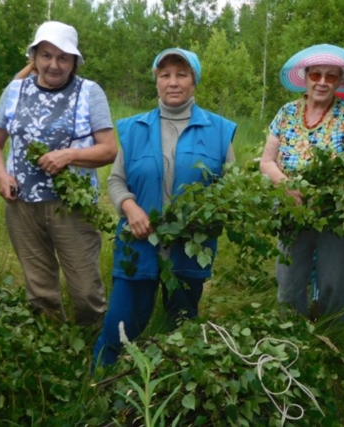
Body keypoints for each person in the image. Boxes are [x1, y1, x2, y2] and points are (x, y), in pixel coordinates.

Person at [92, 48, 236, 367]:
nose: (173, 82)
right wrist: (130, 207)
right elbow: (116, 182)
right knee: (119, 326)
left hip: (190, 248)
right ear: (156, 81)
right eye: (165, 75)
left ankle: (170, 393)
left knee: (181, 331)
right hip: (138, 246)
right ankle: (99, 385)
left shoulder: (220, 131)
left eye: (181, 74)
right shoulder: (134, 129)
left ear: (194, 81)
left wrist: (206, 213)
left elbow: (230, 192)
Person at [0, 21, 117, 328]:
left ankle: (92, 343)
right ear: (35, 57)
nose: (53, 65)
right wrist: (2, 176)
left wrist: (69, 155)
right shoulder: (16, 90)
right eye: (46, 55)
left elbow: (109, 150)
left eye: (63, 58)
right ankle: (51, 345)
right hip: (22, 206)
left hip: (72, 207)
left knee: (85, 291)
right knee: (40, 288)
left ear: (74, 62)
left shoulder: (89, 92)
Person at [259, 44, 344, 323]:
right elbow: (267, 162)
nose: (322, 82)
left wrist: (325, 195)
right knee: (290, 277)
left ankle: (332, 338)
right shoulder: (285, 113)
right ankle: (291, 334)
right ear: (305, 78)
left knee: (335, 280)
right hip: (291, 209)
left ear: (340, 81)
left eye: (330, 76)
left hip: (335, 215)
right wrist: (285, 185)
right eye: (316, 75)